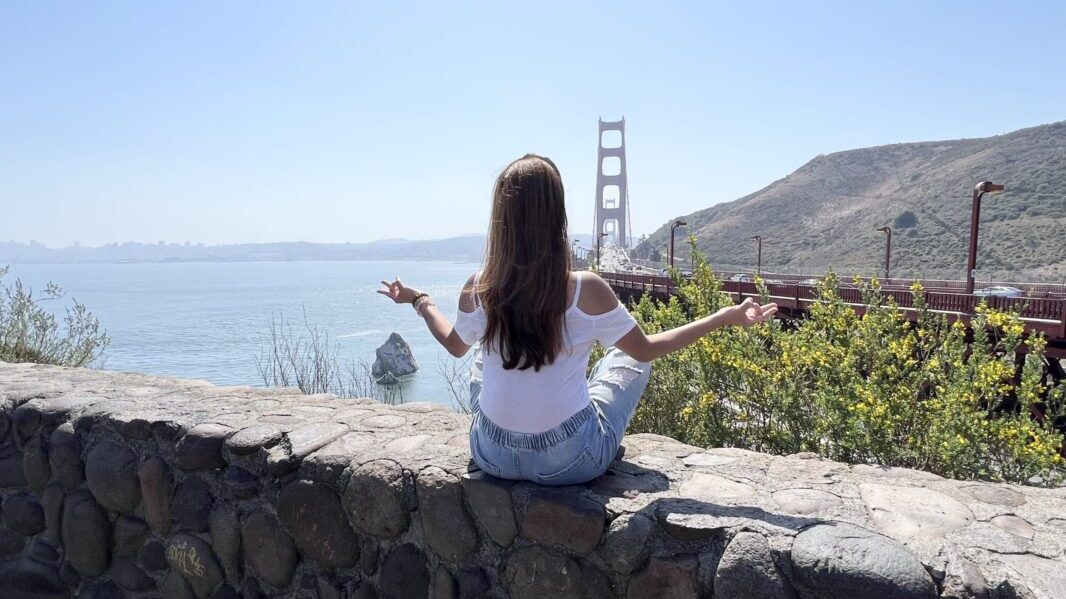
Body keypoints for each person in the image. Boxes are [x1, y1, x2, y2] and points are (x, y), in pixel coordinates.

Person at [378, 154, 776, 485]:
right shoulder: (587, 289)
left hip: (492, 454)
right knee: (626, 357)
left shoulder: (479, 285)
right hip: (568, 460)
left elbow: (454, 345)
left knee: (482, 358)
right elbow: (649, 349)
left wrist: (420, 300)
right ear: (557, 217)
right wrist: (725, 316)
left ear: (501, 218)